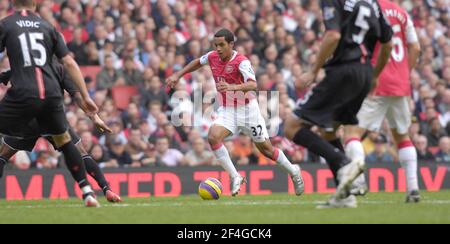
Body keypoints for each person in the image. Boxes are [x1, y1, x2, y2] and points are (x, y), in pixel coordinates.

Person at [167, 28, 304, 197]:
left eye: (221, 45)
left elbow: (253, 85)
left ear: (231, 44)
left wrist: (232, 87)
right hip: (227, 110)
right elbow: (197, 62)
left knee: (266, 150)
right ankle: (235, 176)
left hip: (248, 111)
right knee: (213, 137)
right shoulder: (212, 56)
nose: (218, 48)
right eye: (215, 45)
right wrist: (178, 75)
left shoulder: (242, 61)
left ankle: (294, 171)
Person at [284, 0, 393, 208]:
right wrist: (375, 75)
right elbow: (388, 43)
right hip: (364, 73)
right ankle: (344, 197)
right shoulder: (372, 3)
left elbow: (333, 35)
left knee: (291, 126)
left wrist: (314, 70)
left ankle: (344, 164)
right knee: (330, 131)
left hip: (343, 71)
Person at [0, 0, 100, 207]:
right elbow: (69, 62)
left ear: (12, 3)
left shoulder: (6, 24)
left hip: (23, 93)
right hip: (52, 94)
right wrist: (86, 95)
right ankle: (87, 191)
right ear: (35, 3)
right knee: (64, 140)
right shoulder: (48, 26)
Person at [0, 60, 122, 203]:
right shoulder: (59, 69)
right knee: (81, 153)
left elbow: (4, 78)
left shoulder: (21, 67)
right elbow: (77, 97)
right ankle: (106, 189)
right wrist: (94, 117)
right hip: (52, 119)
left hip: (27, 120)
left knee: (3, 155)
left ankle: (96, 190)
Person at [344, 0, 422, 203]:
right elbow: (416, 47)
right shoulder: (402, 13)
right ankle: (413, 188)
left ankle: (358, 181)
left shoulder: (368, 9)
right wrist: (405, 73)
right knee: (402, 136)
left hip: (375, 81)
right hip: (400, 84)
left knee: (352, 133)